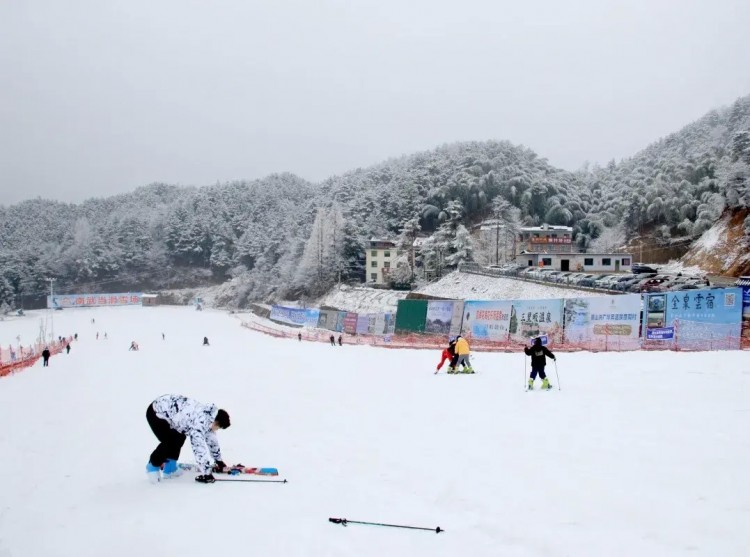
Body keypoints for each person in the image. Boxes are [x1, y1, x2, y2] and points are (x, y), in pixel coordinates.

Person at [145, 394, 231, 484]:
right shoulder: (199, 423)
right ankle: (152, 466)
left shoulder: (208, 418)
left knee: (180, 437)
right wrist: (207, 473)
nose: (217, 430)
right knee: (169, 441)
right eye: (218, 427)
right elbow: (199, 449)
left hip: (171, 415)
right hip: (156, 413)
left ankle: (170, 468)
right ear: (216, 423)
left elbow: (212, 441)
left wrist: (218, 461)